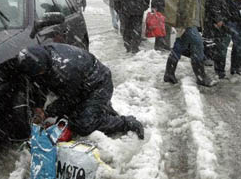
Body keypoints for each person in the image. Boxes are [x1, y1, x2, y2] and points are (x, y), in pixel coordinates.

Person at [16, 43, 145, 139]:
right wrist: (39, 107)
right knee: (67, 119)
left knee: (83, 125)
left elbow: (70, 99)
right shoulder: (39, 58)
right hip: (79, 85)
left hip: (98, 84)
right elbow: (40, 84)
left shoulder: (65, 69)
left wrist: (48, 112)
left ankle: (126, 122)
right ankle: (101, 110)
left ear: (43, 67)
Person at [163, 0, 217, 87]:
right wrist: (174, 20)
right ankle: (201, 76)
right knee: (198, 44)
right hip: (185, 19)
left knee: (179, 45)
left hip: (194, 18)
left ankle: (169, 73)